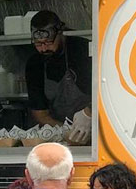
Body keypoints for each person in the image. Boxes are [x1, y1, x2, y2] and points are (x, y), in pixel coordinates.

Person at [25, 11, 92, 144]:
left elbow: (106, 89)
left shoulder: (83, 50)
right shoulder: (34, 64)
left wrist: (89, 113)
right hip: (61, 137)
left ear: (60, 33)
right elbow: (40, 113)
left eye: (48, 42)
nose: (43, 49)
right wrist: (67, 131)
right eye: (38, 44)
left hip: (94, 129)